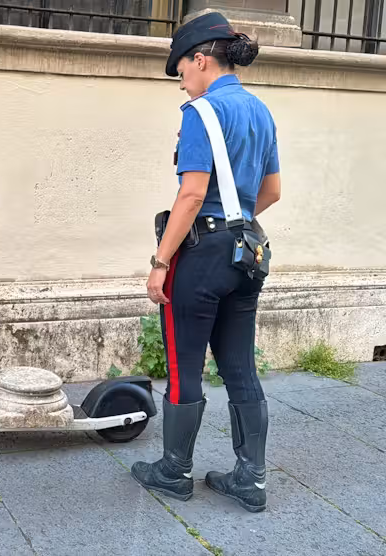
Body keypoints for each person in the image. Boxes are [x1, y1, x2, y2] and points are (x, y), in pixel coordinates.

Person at [130, 12, 282, 513]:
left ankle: (174, 471)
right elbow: (273, 192)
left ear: (201, 59)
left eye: (182, 72)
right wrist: (236, 220)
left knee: (184, 363)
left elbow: (191, 195)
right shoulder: (261, 111)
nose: (184, 83)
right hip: (247, 252)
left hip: (202, 256)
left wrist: (160, 260)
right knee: (240, 364)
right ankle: (251, 478)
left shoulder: (201, 113)